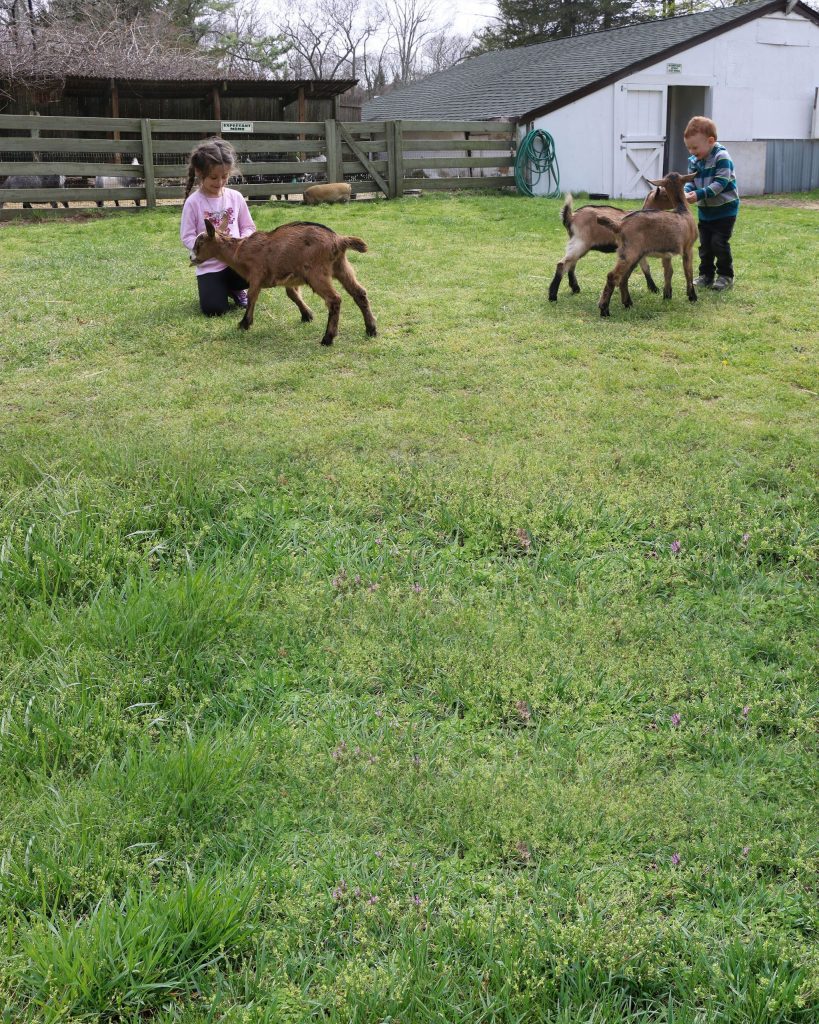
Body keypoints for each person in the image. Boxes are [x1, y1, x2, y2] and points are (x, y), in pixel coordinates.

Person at [180, 137, 256, 316]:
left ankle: (237, 289)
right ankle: (220, 289)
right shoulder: (193, 203)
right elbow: (187, 236)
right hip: (210, 266)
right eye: (214, 177)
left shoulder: (235, 197)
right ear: (199, 172)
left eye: (225, 176)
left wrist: (242, 241)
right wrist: (205, 247)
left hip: (237, 260)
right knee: (214, 310)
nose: (220, 182)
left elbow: (248, 226)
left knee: (258, 273)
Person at [683, 116, 739, 292]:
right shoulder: (695, 161)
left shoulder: (722, 157)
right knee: (705, 245)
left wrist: (699, 194)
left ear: (710, 141)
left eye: (695, 147)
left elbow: (720, 184)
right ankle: (706, 275)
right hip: (706, 211)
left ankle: (726, 276)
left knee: (719, 243)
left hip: (725, 210)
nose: (691, 151)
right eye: (689, 148)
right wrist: (686, 191)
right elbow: (690, 181)